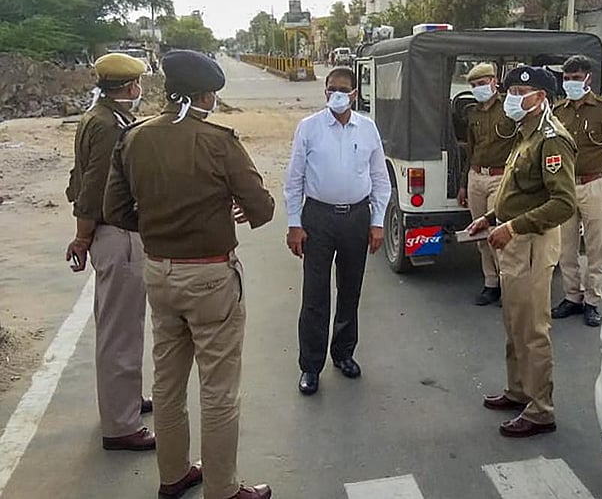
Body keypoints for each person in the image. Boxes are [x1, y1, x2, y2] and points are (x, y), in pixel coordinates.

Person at [104, 50, 275, 499]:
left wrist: (160, 223)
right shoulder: (219, 141)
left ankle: (173, 474)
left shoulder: (134, 138)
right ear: (204, 95)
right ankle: (222, 489)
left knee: (167, 381)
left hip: (158, 273)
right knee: (218, 390)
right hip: (210, 279)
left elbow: (115, 210)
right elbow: (262, 206)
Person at [467, 66, 576, 438]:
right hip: (513, 239)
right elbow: (519, 191)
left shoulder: (551, 139)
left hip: (531, 243)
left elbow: (563, 204)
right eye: (510, 90)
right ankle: (519, 391)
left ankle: (541, 409)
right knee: (514, 322)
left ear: (540, 98)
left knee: (532, 329)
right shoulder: (525, 133)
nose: (511, 98)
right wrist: (490, 217)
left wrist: (512, 227)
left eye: (519, 92)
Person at [64, 52, 154, 452]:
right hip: (115, 233)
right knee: (120, 331)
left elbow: (76, 176)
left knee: (126, 325)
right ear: (130, 87)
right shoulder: (106, 126)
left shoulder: (100, 117)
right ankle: (120, 426)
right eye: (137, 85)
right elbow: (94, 187)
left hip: (112, 231)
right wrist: (82, 237)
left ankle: (126, 401)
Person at [284, 66, 391, 396]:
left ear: (355, 94)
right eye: (332, 90)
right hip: (318, 218)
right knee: (315, 294)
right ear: (325, 92)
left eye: (344, 90)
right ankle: (310, 366)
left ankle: (343, 353)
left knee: (350, 290)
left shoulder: (368, 129)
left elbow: (380, 179)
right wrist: (294, 224)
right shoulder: (309, 128)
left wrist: (377, 222)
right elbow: (294, 180)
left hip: (356, 219)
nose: (337, 96)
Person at [551, 55, 602, 327]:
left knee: (596, 245)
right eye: (567, 78)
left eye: (576, 78)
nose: (570, 82)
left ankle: (592, 300)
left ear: (588, 79)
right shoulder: (558, 111)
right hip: (565, 186)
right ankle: (572, 296)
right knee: (566, 246)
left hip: (594, 185)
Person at [457, 62, 517, 306]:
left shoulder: (510, 108)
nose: (478, 89)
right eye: (473, 85)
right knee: (480, 235)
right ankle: (490, 283)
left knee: (497, 233)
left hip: (500, 177)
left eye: (482, 84)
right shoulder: (472, 113)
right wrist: (463, 184)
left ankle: (507, 284)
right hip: (475, 176)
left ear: (494, 82)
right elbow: (471, 151)